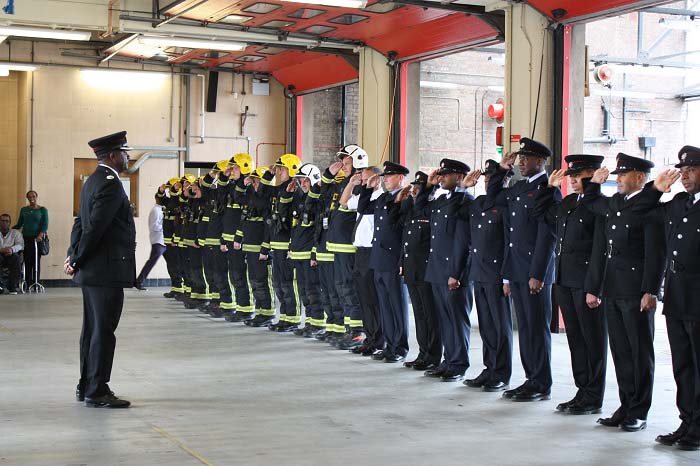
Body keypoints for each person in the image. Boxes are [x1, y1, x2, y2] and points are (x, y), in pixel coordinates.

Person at [582, 153, 666, 432]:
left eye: (623, 175)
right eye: (617, 175)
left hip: (635, 291)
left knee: (639, 352)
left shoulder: (650, 208)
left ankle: (639, 410)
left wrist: (650, 290)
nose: (618, 179)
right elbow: (592, 203)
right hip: (613, 288)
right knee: (620, 351)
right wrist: (593, 183)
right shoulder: (617, 203)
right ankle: (626, 404)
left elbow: (656, 255)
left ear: (640, 178)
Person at [622, 147, 699, 449]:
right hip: (678, 299)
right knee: (682, 366)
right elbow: (638, 212)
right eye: (683, 170)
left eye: (693, 169)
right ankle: (687, 422)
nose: (686, 175)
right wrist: (655, 189)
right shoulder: (678, 203)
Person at [532, 155, 608, 414]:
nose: (574, 179)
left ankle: (594, 396)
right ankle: (582, 390)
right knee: (576, 340)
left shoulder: (598, 205)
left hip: (586, 283)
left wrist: (594, 288)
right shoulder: (568, 202)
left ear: (594, 175)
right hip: (564, 281)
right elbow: (540, 214)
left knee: (593, 342)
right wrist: (549, 188)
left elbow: (600, 249)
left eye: (580, 174)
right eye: (571, 175)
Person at [66, 131, 135, 408]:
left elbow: (79, 223)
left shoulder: (93, 181)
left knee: (92, 331)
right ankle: (97, 390)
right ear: (112, 155)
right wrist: (77, 258)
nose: (128, 157)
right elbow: (94, 227)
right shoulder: (110, 184)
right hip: (105, 271)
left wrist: (73, 255)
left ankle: (86, 385)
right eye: (125, 152)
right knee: (103, 331)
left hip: (94, 271)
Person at [488, 138, 558, 402]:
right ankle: (531, 379)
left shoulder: (547, 189)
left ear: (540, 161)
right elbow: (495, 198)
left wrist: (537, 274)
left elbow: (547, 236)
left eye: (525, 159)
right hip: (517, 270)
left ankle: (542, 383)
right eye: (519, 159)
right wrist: (501, 170)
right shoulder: (518, 187)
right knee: (526, 329)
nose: (520, 162)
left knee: (537, 329)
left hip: (534, 273)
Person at [420, 159, 475, 382]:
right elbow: (421, 209)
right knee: (444, 319)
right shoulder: (443, 200)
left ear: (460, 177)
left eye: (446, 174)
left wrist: (456, 273)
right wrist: (430, 186)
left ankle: (459, 364)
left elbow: (462, 242)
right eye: (440, 174)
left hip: (455, 272)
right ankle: (448, 359)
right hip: (437, 270)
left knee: (457, 319)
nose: (441, 177)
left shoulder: (465, 201)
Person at [461, 160, 513, 392]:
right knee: (486, 326)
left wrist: (506, 277)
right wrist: (463, 188)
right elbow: (455, 214)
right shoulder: (479, 202)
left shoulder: (507, 202)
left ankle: (501, 373)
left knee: (500, 326)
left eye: (492, 178)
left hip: (497, 273)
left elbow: (510, 242)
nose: (487, 182)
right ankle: (489, 368)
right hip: (479, 271)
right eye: (486, 178)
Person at [357, 161, 410, 363]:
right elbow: (363, 208)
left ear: (401, 178)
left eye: (389, 176)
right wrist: (366, 187)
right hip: (378, 259)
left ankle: (400, 347)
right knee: (385, 306)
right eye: (384, 176)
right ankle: (390, 345)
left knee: (397, 306)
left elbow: (402, 230)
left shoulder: (405, 197)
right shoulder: (384, 198)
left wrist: (402, 260)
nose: (385, 179)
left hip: (393, 259)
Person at [390, 171, 442, 371]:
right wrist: (398, 201)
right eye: (414, 189)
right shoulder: (411, 210)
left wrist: (425, 191)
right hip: (412, 269)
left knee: (431, 315)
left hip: (426, 270)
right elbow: (396, 228)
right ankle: (423, 353)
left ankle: (433, 355)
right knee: (419, 315)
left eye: (419, 189)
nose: (414, 192)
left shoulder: (429, 209)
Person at [347, 166, 384, 354]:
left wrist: (368, 189)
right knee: (364, 300)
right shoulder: (364, 196)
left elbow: (363, 208)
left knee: (373, 300)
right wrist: (353, 184)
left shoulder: (379, 198)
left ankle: (378, 340)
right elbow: (344, 202)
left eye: (367, 179)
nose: (364, 183)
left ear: (377, 180)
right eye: (363, 180)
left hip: (372, 253)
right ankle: (370, 338)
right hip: (360, 252)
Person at [13, 190, 48, 285]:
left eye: (33, 196)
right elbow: (19, 224)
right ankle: (28, 283)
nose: (32, 198)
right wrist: (9, 229)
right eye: (29, 197)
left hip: (37, 239)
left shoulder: (42, 210)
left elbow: (45, 225)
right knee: (27, 260)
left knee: (36, 260)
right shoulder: (24, 210)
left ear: (36, 197)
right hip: (26, 238)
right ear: (27, 198)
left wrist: (40, 235)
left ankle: (36, 282)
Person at [134, 194, 166, 290]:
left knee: (173, 263)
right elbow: (154, 226)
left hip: (164, 240)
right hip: (158, 241)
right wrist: (166, 227)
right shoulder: (156, 210)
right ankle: (139, 282)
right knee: (152, 262)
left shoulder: (162, 209)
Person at [0, 214, 24, 294]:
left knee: (16, 258)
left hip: (11, 254)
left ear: (10, 223)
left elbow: (20, 245)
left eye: (7, 221)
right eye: (2, 221)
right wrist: (2, 250)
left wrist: (11, 249)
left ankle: (12, 286)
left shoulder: (15, 233)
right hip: (0, 254)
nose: (4, 223)